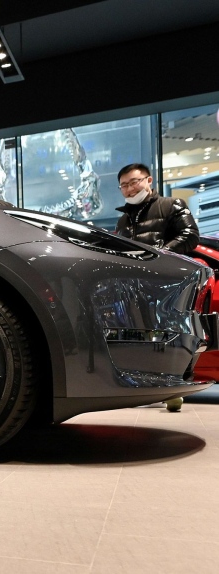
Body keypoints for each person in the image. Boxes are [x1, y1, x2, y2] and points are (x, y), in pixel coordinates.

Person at [114, 162, 199, 412]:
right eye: (124, 185)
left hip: (167, 283)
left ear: (149, 181)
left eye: (135, 181)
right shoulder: (123, 219)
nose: (130, 188)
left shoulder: (171, 205)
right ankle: (141, 388)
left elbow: (190, 236)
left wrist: (158, 255)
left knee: (169, 336)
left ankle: (172, 391)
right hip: (133, 286)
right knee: (137, 337)